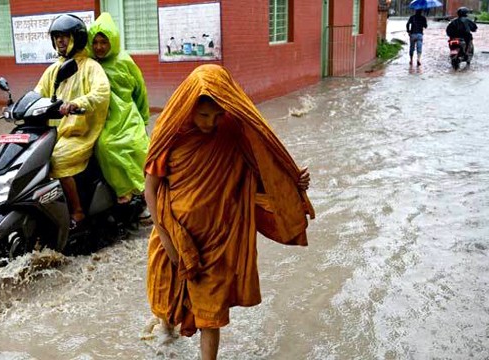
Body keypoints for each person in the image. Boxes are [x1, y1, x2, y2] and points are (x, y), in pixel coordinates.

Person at [144, 64, 315, 360]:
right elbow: (150, 189)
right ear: (188, 108)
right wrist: (167, 241)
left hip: (217, 240)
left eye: (217, 115)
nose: (210, 123)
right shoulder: (170, 136)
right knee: (167, 302)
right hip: (173, 235)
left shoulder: (234, 134)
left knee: (210, 314)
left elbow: (263, 172)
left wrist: (294, 182)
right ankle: (165, 340)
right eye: (203, 115)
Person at [35, 14, 110, 229]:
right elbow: (37, 93)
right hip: (57, 133)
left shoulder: (90, 66)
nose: (60, 41)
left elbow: (102, 92)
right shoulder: (53, 69)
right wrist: (17, 106)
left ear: (76, 38)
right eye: (57, 37)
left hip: (81, 133)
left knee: (56, 160)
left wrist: (76, 103)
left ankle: (77, 211)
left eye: (64, 37)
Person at [87, 12, 150, 205]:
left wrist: (143, 118)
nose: (99, 47)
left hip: (126, 114)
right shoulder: (89, 63)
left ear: (112, 41)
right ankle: (124, 189)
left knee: (137, 145)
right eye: (95, 42)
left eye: (104, 42)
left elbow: (140, 91)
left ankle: (144, 191)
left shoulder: (125, 61)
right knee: (106, 145)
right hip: (102, 117)